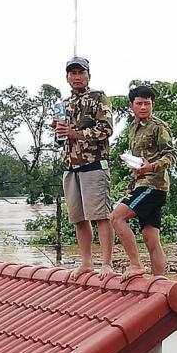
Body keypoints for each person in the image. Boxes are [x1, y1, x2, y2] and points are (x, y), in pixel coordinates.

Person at [54, 56, 114, 278]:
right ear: (67, 77)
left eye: (81, 72)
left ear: (88, 75)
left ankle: (107, 263)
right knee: (78, 217)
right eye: (73, 73)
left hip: (94, 164)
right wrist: (59, 130)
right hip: (70, 166)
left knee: (100, 215)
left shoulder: (99, 98)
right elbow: (60, 138)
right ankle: (86, 262)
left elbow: (106, 130)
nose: (77, 77)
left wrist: (75, 133)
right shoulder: (62, 104)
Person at [110, 86, 177, 281]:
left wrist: (151, 167)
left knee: (116, 217)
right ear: (131, 106)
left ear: (152, 105)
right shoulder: (132, 129)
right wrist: (131, 185)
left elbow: (171, 155)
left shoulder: (159, 126)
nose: (143, 107)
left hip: (153, 185)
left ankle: (135, 265)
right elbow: (136, 162)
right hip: (141, 184)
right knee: (151, 238)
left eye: (147, 103)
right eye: (139, 103)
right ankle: (160, 282)